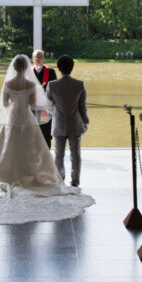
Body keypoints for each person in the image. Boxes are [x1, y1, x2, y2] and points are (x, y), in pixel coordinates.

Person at [0, 54, 72, 192]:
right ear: (26, 68)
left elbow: (5, 104)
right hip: (26, 117)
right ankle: (30, 173)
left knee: (7, 144)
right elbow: (32, 103)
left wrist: (14, 102)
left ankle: (6, 172)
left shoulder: (8, 84)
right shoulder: (31, 84)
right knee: (32, 145)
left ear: (14, 67)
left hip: (12, 118)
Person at [46, 55, 90, 188]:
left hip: (58, 123)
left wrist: (55, 112)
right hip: (75, 123)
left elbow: (47, 104)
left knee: (59, 154)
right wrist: (85, 122)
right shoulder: (79, 84)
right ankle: (75, 180)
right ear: (72, 67)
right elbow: (82, 106)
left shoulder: (52, 85)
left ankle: (60, 178)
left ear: (59, 68)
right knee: (75, 154)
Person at [32, 50, 57, 148]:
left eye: (40, 57)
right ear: (33, 59)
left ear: (43, 58)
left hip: (45, 107)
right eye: (36, 57)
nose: (38, 59)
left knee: (45, 129)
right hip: (32, 107)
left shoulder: (50, 71)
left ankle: (47, 153)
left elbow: (55, 89)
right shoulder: (28, 72)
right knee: (33, 130)